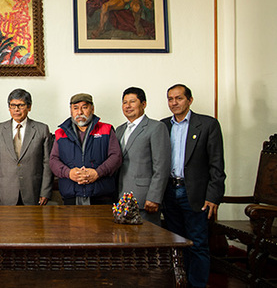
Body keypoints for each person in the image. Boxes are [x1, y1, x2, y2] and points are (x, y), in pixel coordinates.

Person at [161, 84, 226, 288]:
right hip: (169, 192)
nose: (174, 103)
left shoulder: (207, 125)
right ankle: (180, 282)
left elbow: (217, 165)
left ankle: (197, 284)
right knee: (176, 243)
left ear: (190, 100)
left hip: (196, 194)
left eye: (179, 98)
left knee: (197, 243)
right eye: (170, 99)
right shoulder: (163, 126)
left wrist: (213, 196)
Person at [49, 93, 122, 205]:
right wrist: (69, 173)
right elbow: (53, 160)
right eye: (75, 108)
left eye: (84, 107)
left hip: (101, 196)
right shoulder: (60, 133)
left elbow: (116, 157)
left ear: (92, 109)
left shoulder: (106, 129)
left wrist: (98, 173)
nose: (80, 112)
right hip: (71, 196)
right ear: (71, 111)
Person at [0, 88, 53, 205]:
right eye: (13, 105)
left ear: (29, 107)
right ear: (9, 107)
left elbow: (47, 163)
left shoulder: (42, 129)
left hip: (33, 191)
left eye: (21, 105)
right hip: (4, 192)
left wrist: (45, 192)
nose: (16, 109)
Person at [115, 87, 170, 225]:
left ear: (144, 104)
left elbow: (161, 166)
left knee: (147, 241)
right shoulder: (119, 130)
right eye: (125, 102)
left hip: (145, 200)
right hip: (121, 198)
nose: (128, 106)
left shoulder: (156, 127)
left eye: (132, 101)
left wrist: (154, 197)